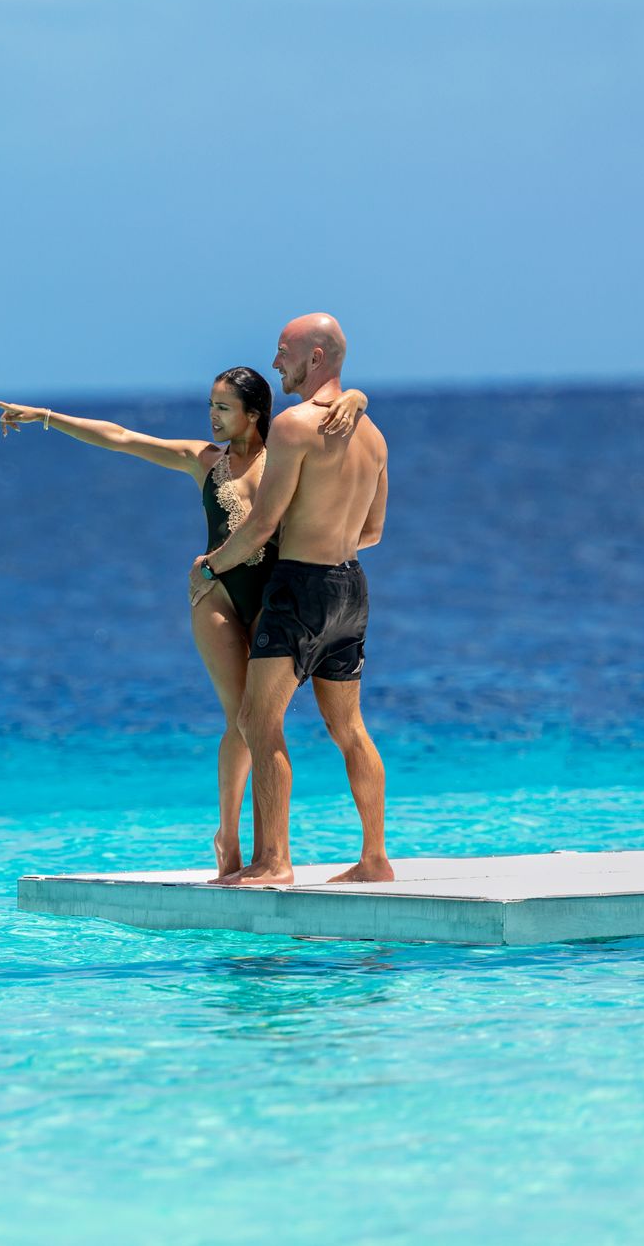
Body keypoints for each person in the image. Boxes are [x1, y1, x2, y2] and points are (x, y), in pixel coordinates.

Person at [0, 374, 369, 877]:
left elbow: (337, 425)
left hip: (278, 601)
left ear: (254, 413)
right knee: (242, 720)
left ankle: (265, 854)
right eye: (211, 405)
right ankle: (230, 839)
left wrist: (358, 398)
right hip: (217, 599)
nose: (212, 416)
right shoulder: (205, 460)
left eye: (224, 408)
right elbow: (124, 438)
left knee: (263, 724)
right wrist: (48, 418)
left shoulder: (290, 452)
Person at [196, 313, 391, 886]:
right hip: (350, 587)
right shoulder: (373, 435)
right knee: (350, 729)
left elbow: (259, 525)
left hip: (299, 588)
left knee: (259, 720)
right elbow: (374, 531)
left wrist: (212, 565)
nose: (276, 361)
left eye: (284, 352)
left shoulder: (293, 426)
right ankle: (375, 859)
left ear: (316, 357)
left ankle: (273, 861)